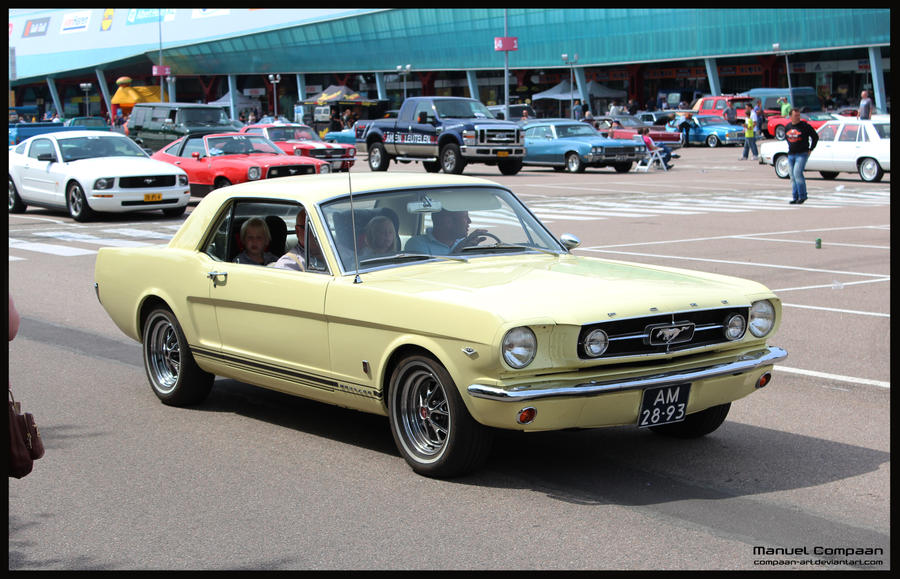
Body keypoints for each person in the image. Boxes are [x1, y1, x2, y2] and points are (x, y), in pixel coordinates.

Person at [404, 209, 487, 255]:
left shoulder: (465, 243)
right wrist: (458, 251)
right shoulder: (417, 244)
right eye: (465, 217)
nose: (470, 221)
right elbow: (430, 277)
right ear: (448, 222)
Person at [784, 108, 819, 205]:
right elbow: (787, 138)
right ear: (790, 116)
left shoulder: (804, 126)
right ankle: (795, 197)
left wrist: (811, 149)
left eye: (799, 115)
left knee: (797, 173)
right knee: (792, 176)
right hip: (791, 154)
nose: (798, 117)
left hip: (802, 154)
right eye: (796, 115)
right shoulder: (788, 127)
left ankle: (802, 196)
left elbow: (815, 137)